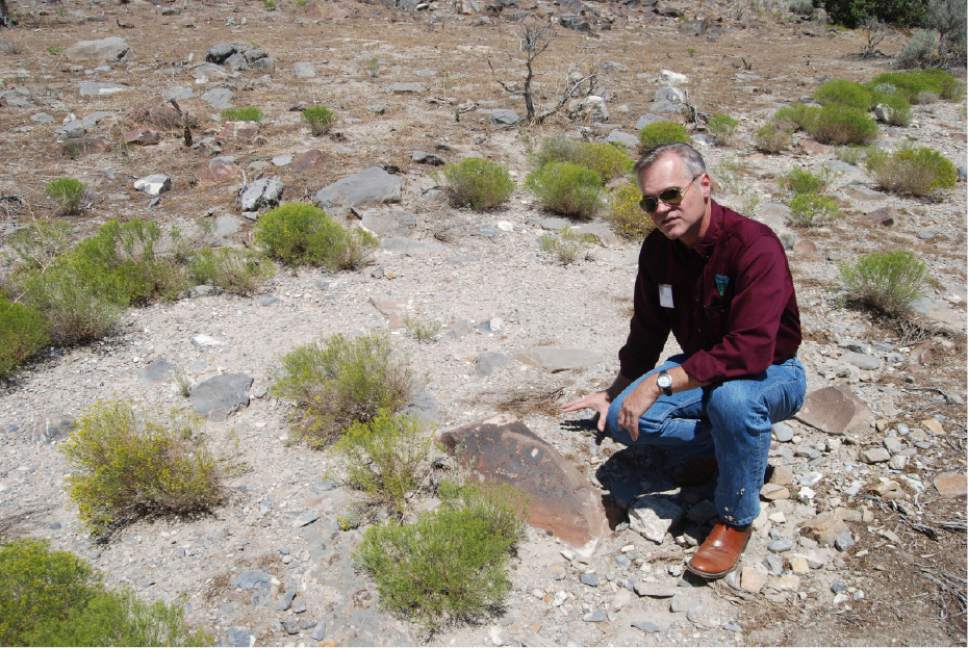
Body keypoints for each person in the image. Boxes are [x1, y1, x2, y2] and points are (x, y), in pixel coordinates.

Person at [562, 142, 806, 579]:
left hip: (771, 372)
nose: (662, 208)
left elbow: (751, 348)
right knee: (623, 420)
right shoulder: (659, 251)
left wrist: (659, 383)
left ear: (704, 185)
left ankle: (734, 518)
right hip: (702, 367)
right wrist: (616, 391)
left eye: (671, 194)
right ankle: (734, 447)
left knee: (732, 402)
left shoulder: (754, 245)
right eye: (650, 202)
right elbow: (647, 329)